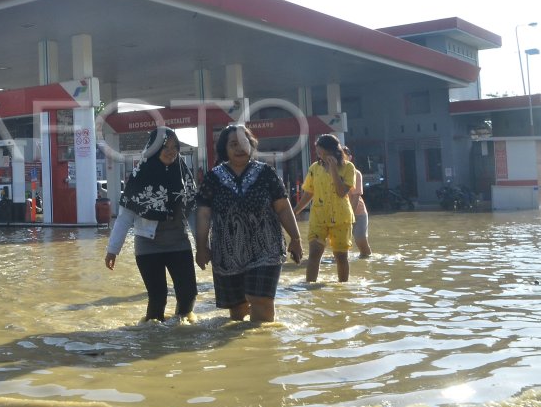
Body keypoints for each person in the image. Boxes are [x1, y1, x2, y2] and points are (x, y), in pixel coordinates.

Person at [195, 125, 304, 322]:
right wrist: (201, 247)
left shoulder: (266, 174)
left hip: (266, 248)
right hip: (227, 254)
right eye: (233, 144)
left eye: (244, 143)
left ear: (251, 145)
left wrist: (295, 238)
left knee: (260, 298)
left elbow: (283, 208)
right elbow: (203, 215)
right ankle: (245, 350)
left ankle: (264, 348)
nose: (239, 149)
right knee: (238, 310)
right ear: (224, 149)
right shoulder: (213, 178)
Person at [104, 127, 198, 323]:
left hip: (179, 243)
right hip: (148, 246)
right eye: (165, 147)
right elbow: (125, 217)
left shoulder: (183, 176)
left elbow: (194, 213)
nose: (171, 151)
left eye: (175, 147)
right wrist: (113, 250)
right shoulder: (140, 176)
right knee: (158, 298)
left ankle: (180, 332)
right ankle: (152, 338)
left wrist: (203, 246)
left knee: (188, 294)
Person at [294, 134, 356, 282]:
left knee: (341, 257)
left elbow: (342, 192)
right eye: (318, 153)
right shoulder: (314, 168)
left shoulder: (348, 167)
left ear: (334, 151)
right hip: (318, 217)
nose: (320, 156)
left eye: (323, 153)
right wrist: (295, 211)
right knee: (314, 253)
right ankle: (310, 286)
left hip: (341, 218)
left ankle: (343, 288)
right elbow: (309, 193)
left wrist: (334, 169)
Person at [344, 146, 372, 258]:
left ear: (350, 158)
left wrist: (349, 216)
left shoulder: (356, 173)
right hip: (341, 213)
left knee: (360, 238)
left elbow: (356, 196)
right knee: (341, 244)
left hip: (358, 212)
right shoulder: (334, 173)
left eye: (344, 156)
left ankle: (367, 258)